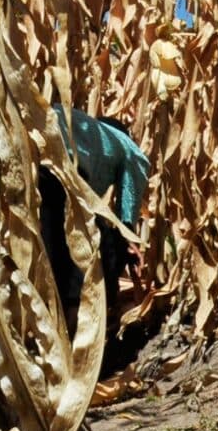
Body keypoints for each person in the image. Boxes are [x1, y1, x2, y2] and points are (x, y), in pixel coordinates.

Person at [37, 108, 150, 353]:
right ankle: (72, 334)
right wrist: (128, 239)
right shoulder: (127, 146)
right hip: (65, 170)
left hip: (35, 156)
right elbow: (128, 211)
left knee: (49, 251)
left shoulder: (88, 131)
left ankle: (48, 334)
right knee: (80, 255)